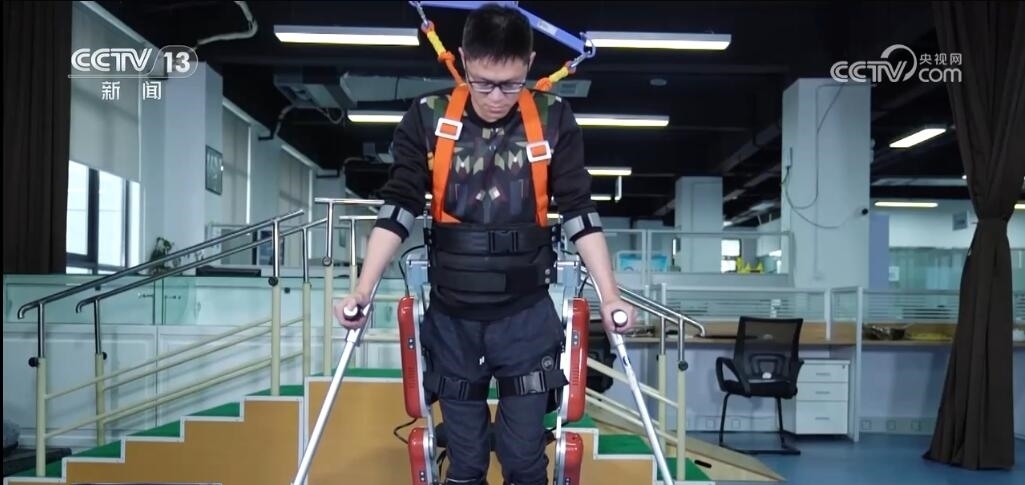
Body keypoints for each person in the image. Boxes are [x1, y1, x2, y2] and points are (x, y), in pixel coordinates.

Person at [335, 3, 636, 484]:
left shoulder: (553, 118)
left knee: (523, 460)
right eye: (483, 82)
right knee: (467, 461)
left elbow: (580, 211)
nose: (496, 97)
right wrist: (362, 289)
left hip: (525, 317)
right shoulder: (427, 117)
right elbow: (399, 206)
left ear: (530, 64)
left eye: (511, 84)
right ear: (462, 60)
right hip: (453, 319)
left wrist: (612, 296)